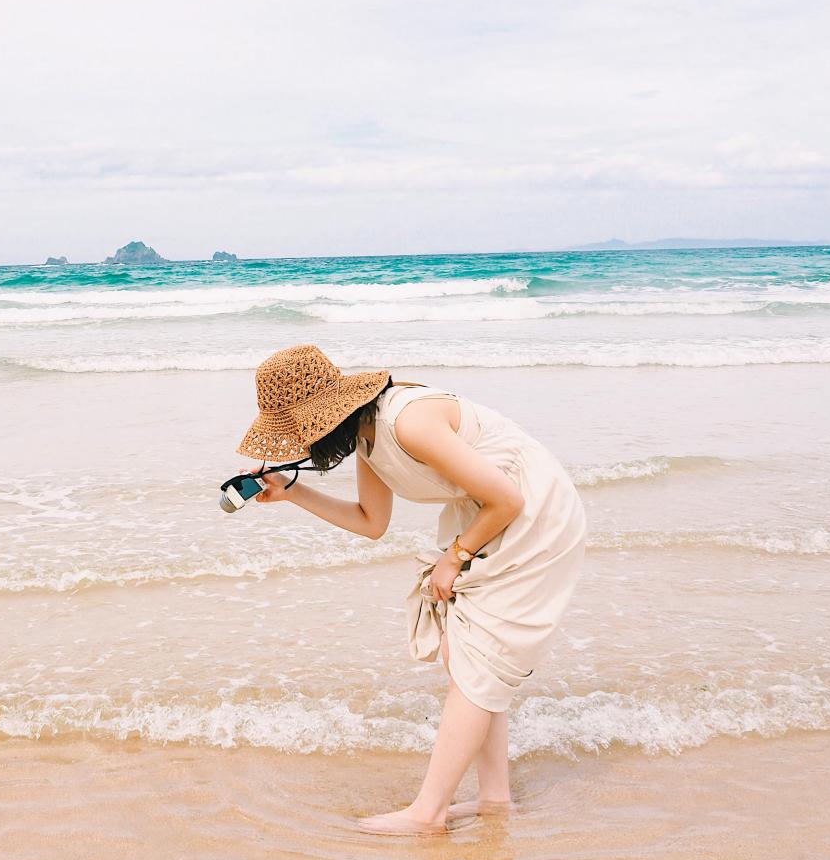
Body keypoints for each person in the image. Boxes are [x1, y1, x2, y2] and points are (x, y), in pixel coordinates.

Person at [235, 344, 587, 834]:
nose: (302, 443)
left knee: (479, 661)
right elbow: (370, 522)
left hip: (533, 516)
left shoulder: (408, 422)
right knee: (467, 656)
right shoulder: (369, 435)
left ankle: (429, 813)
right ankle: (494, 801)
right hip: (488, 517)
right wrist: (292, 493)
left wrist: (455, 557)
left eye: (300, 431)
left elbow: (508, 498)